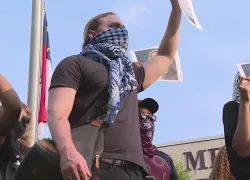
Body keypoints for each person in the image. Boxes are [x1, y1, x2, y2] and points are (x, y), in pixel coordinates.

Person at [47, 1, 182, 179]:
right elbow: (57, 113)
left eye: (124, 27)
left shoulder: (130, 73)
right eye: (114, 26)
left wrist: (177, 10)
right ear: (92, 34)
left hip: (135, 172)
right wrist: (67, 152)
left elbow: (165, 55)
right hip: (94, 167)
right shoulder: (75, 64)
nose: (122, 31)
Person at [138, 98, 178, 180]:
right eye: (141, 116)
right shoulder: (119, 158)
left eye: (151, 118)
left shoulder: (165, 160)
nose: (147, 123)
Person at [0, 74, 31, 180]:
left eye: (24, 120)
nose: (19, 123)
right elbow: (13, 107)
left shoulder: (29, 155)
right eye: (15, 119)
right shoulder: (4, 145)